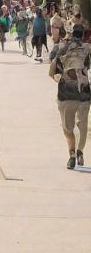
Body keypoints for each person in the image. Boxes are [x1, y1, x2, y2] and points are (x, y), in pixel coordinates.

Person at [48, 24, 91, 169]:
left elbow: (51, 71)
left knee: (68, 128)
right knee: (83, 125)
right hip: (84, 93)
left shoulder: (60, 47)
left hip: (66, 93)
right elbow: (88, 66)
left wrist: (59, 78)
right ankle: (80, 152)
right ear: (84, 35)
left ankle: (71, 154)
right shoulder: (87, 49)